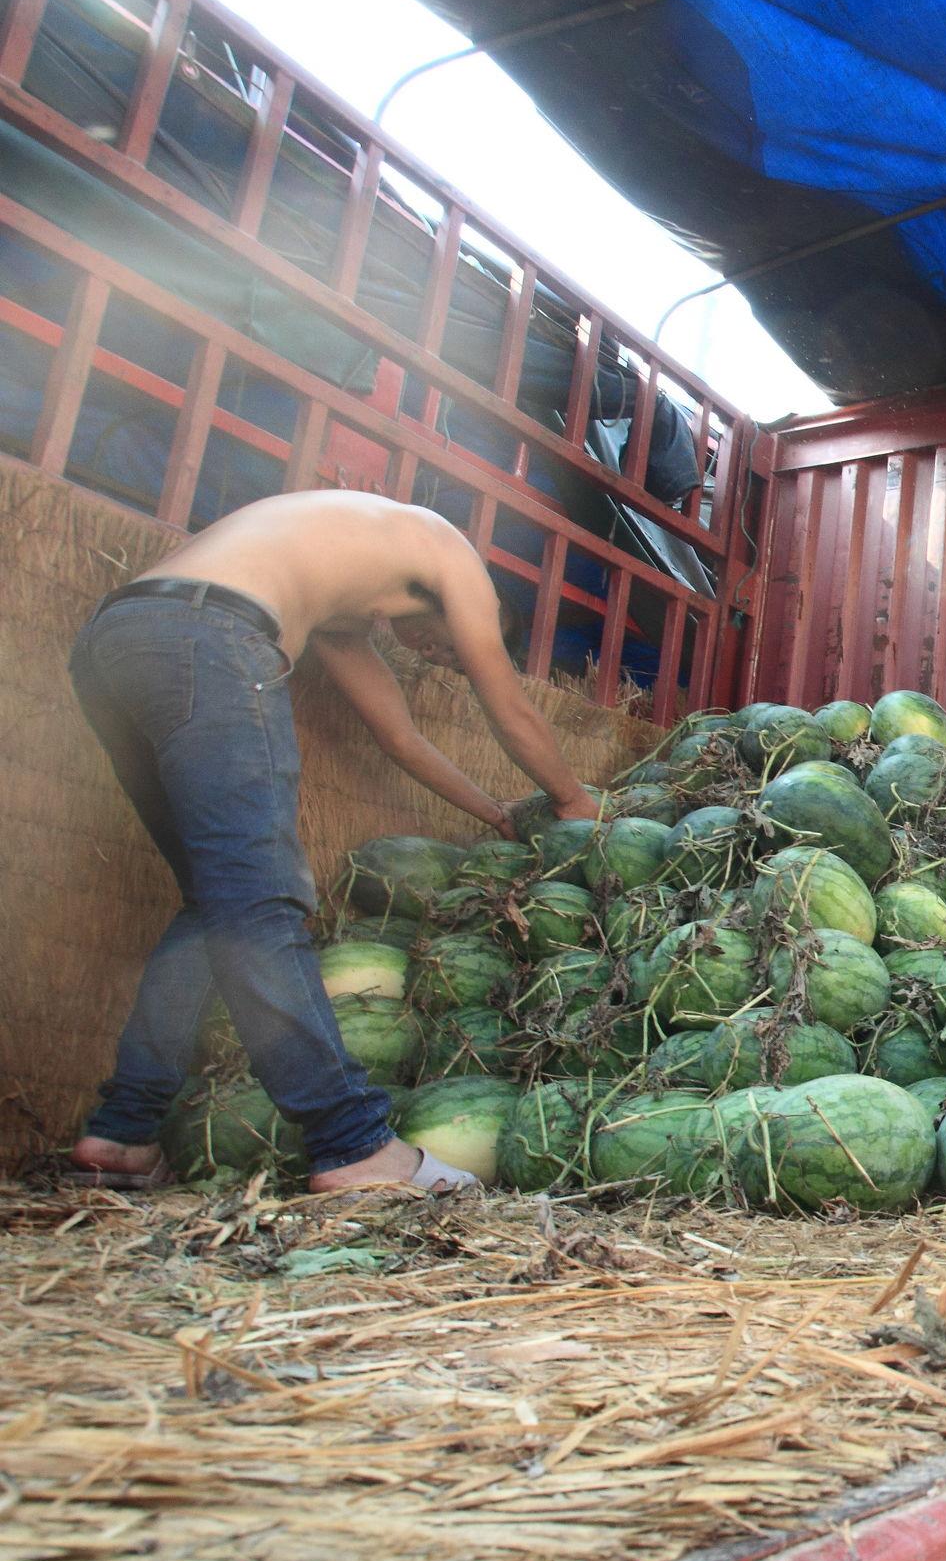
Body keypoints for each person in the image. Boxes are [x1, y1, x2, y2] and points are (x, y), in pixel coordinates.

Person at [64, 490, 603, 1193]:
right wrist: (572, 800)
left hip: (119, 643)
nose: (444, 655)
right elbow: (507, 704)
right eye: (458, 642)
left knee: (214, 903)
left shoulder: (342, 605)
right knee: (263, 903)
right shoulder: (449, 548)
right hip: (211, 638)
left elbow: (400, 737)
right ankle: (351, 1144)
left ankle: (124, 1133)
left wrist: (495, 812)